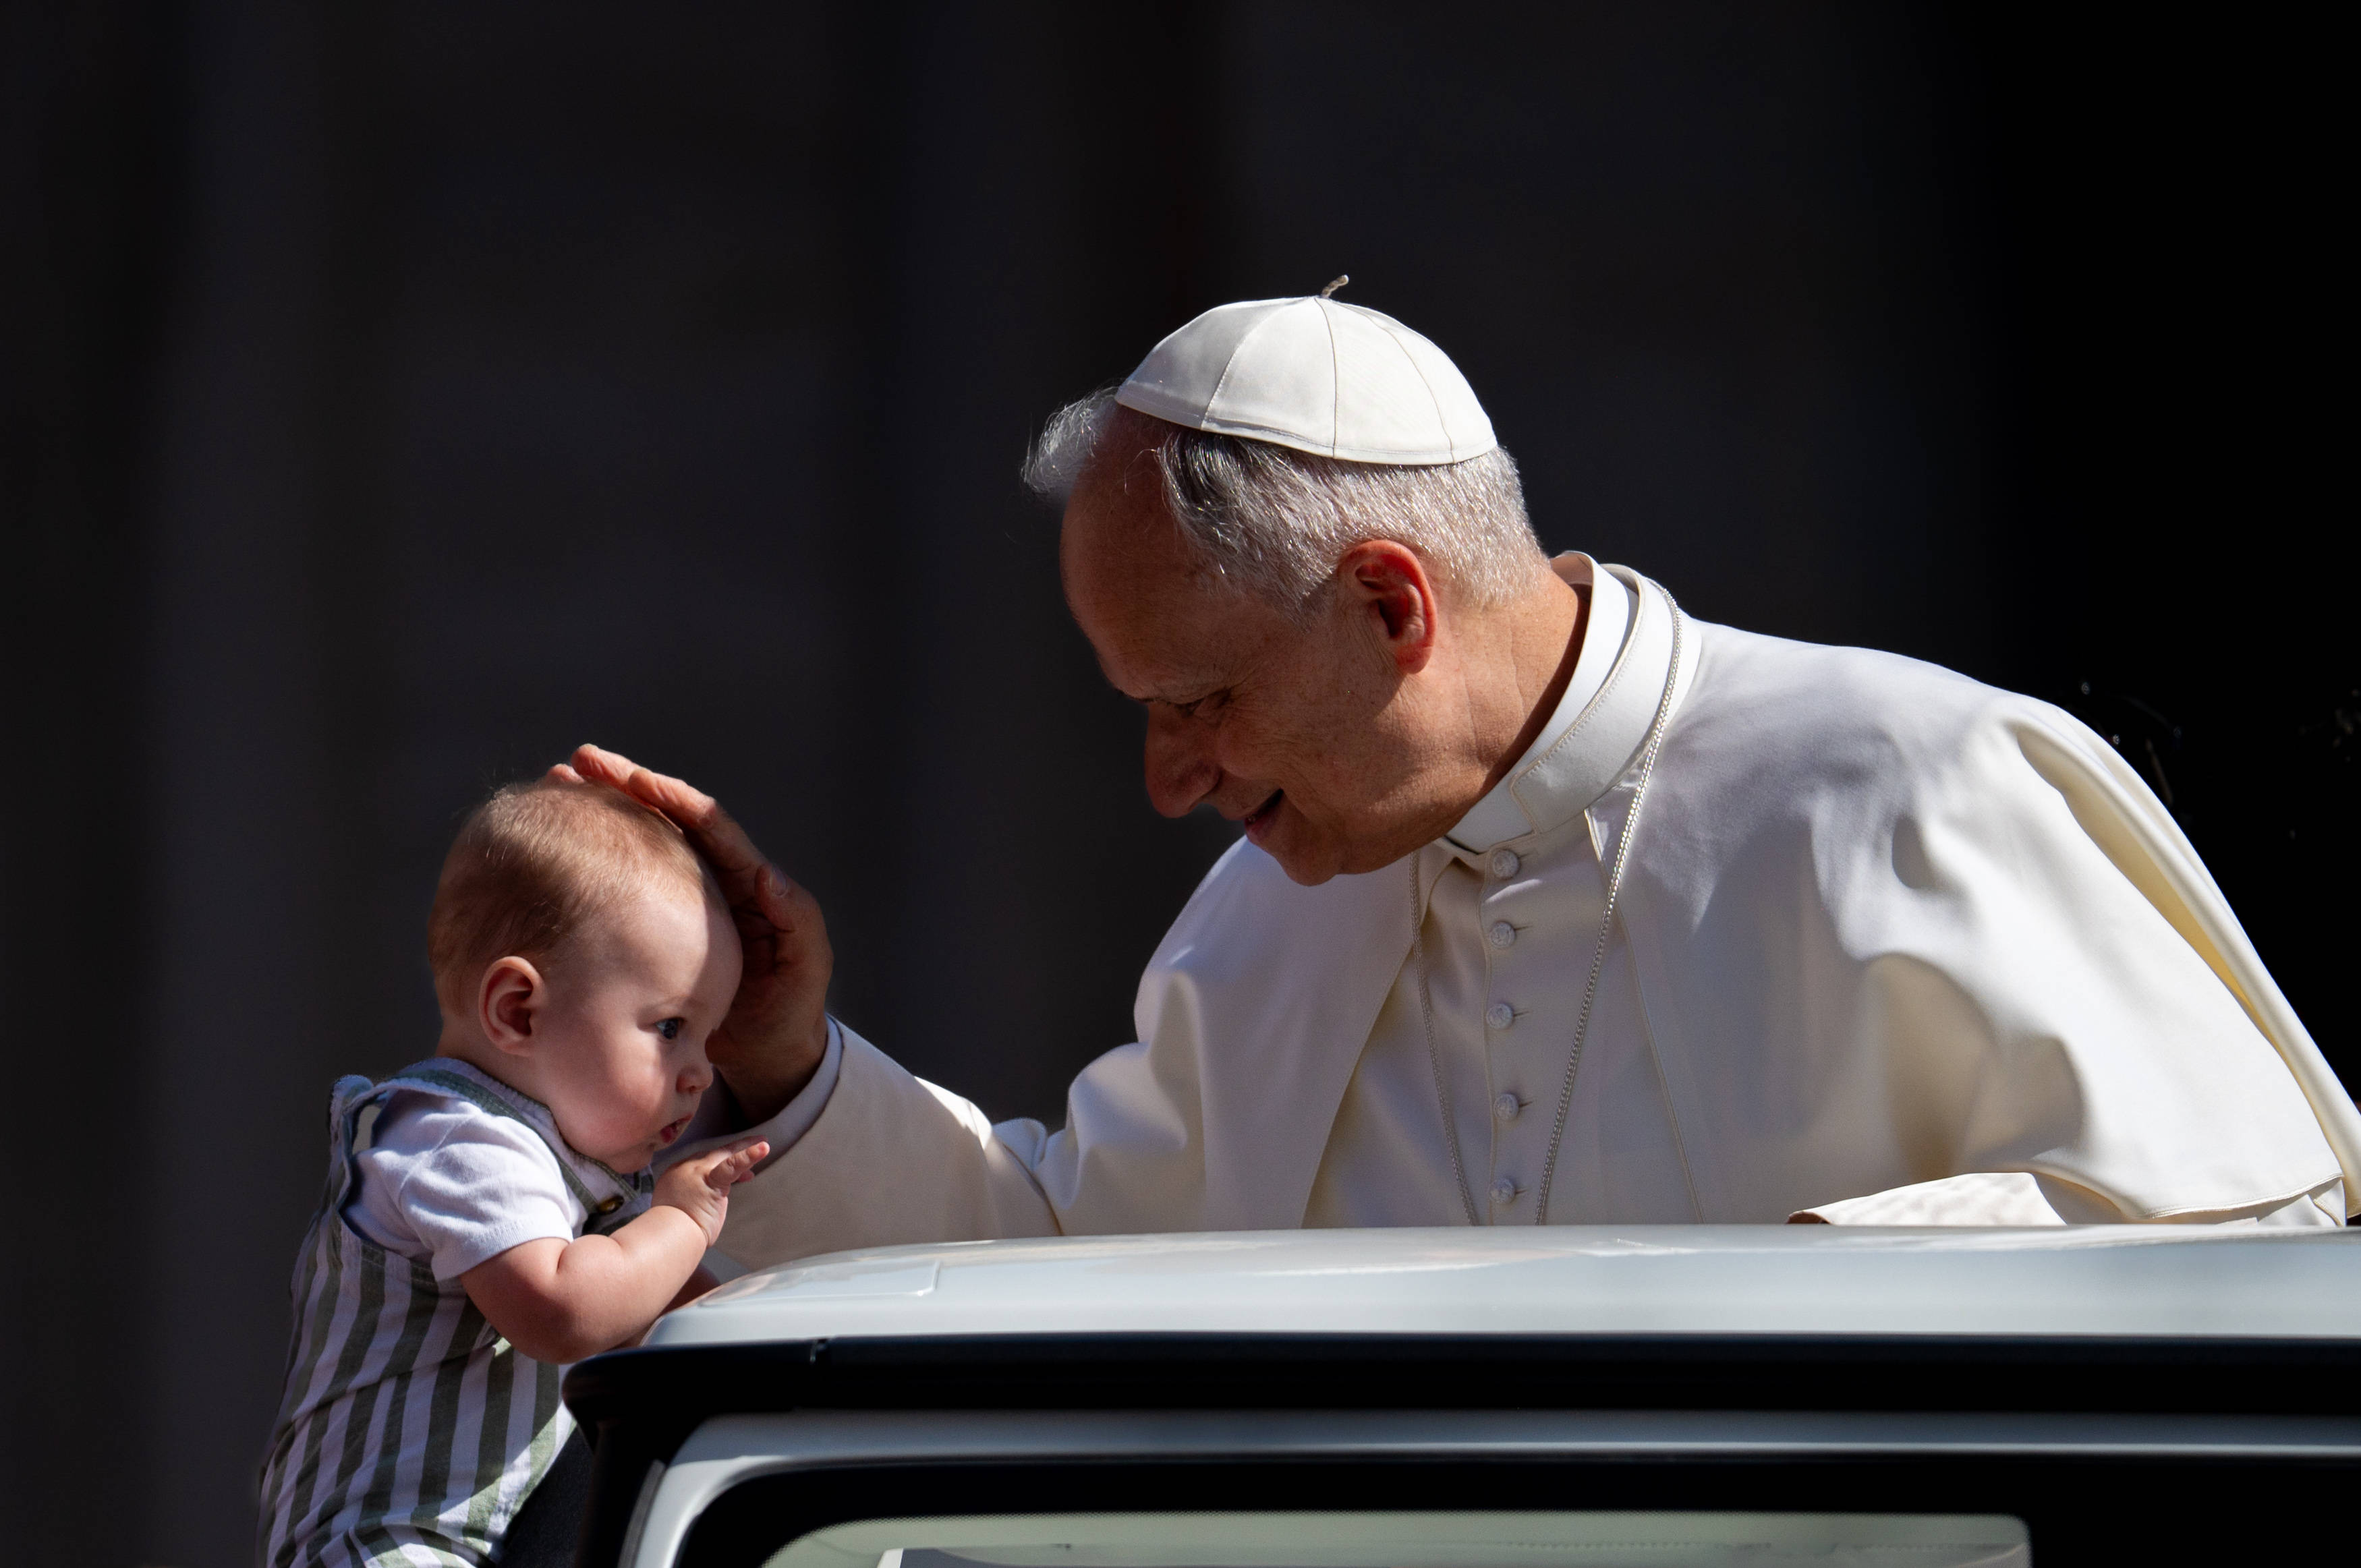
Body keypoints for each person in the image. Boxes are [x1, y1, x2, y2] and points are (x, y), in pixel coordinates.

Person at [569, 287, 2358, 1267]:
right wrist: (785, 1056)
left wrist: (1797, 1299)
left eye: (1197, 699)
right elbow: (1059, 1267)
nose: (1168, 782)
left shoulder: (1901, 782)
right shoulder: (1267, 918)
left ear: (1386, 601)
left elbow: (2240, 1241)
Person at [256, 780, 769, 1568]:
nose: (699, 1074)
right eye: (670, 1028)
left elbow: (657, 1315)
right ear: (519, 1012)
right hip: (387, 1543)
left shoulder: (560, 1167)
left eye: (705, 1040)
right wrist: (682, 1222)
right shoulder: (455, 1138)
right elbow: (564, 1312)